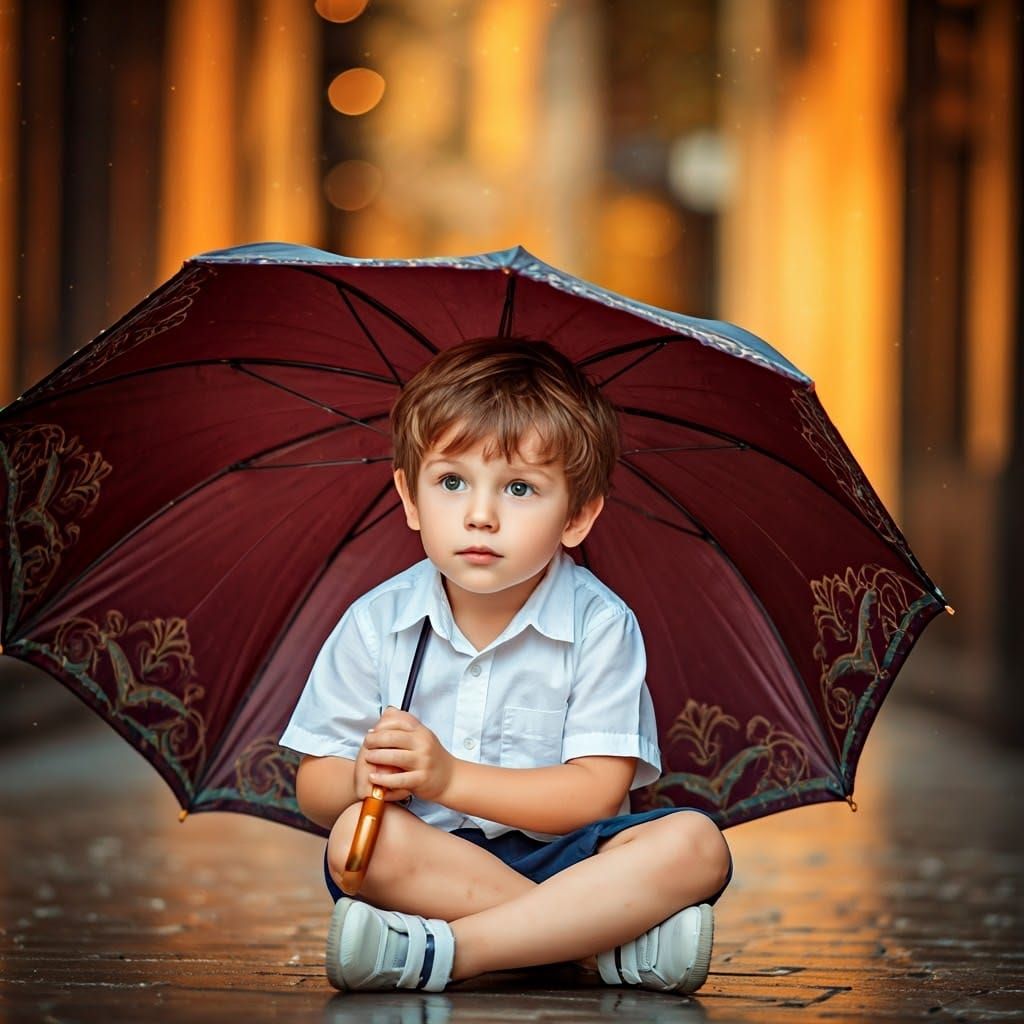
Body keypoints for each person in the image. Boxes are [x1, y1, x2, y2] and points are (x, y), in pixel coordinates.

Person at [279, 337, 732, 996]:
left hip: (571, 860)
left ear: (577, 515)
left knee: (696, 844)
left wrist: (448, 774)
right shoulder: (377, 623)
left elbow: (594, 795)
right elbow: (313, 789)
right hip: (432, 864)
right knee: (359, 838)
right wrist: (363, 774)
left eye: (520, 487)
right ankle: (591, 943)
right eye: (452, 481)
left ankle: (453, 952)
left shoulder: (600, 625)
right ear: (410, 498)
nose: (481, 514)